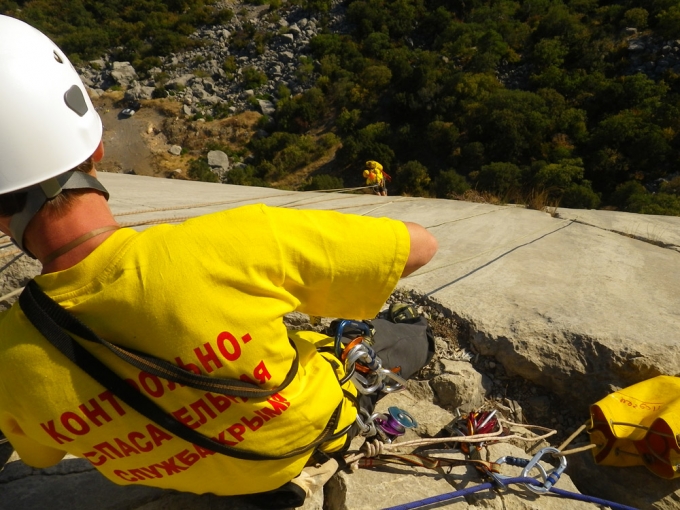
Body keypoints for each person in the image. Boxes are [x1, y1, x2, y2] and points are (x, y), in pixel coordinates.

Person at [0, 15, 438, 506]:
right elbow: (419, 246)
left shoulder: (8, 361)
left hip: (177, 476)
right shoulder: (228, 243)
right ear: (96, 145)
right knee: (406, 332)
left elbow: (38, 456)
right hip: (294, 445)